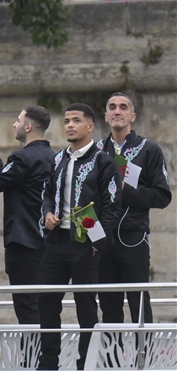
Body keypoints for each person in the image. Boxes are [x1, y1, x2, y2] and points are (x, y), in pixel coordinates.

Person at [37, 103, 123, 370]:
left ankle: (85, 363)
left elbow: (112, 207)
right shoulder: (58, 158)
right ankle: (49, 362)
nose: (70, 126)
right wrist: (48, 214)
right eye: (66, 121)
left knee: (86, 306)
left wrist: (97, 242)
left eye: (76, 120)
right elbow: (47, 193)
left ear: (90, 126)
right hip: (56, 243)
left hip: (85, 246)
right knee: (47, 302)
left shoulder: (104, 161)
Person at [96, 93, 171, 324]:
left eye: (123, 107)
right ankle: (111, 360)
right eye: (112, 107)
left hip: (133, 237)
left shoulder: (149, 149)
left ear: (132, 116)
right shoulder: (95, 150)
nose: (117, 111)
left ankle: (144, 358)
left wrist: (124, 189)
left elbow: (162, 196)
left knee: (139, 302)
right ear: (106, 116)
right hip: (101, 237)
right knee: (108, 306)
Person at [0, 106, 55, 324]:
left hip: (24, 242)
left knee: (27, 307)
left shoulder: (22, 158)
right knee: (45, 306)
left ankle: (31, 358)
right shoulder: (55, 158)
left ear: (28, 126)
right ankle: (46, 357)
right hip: (48, 242)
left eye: (18, 121)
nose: (14, 125)